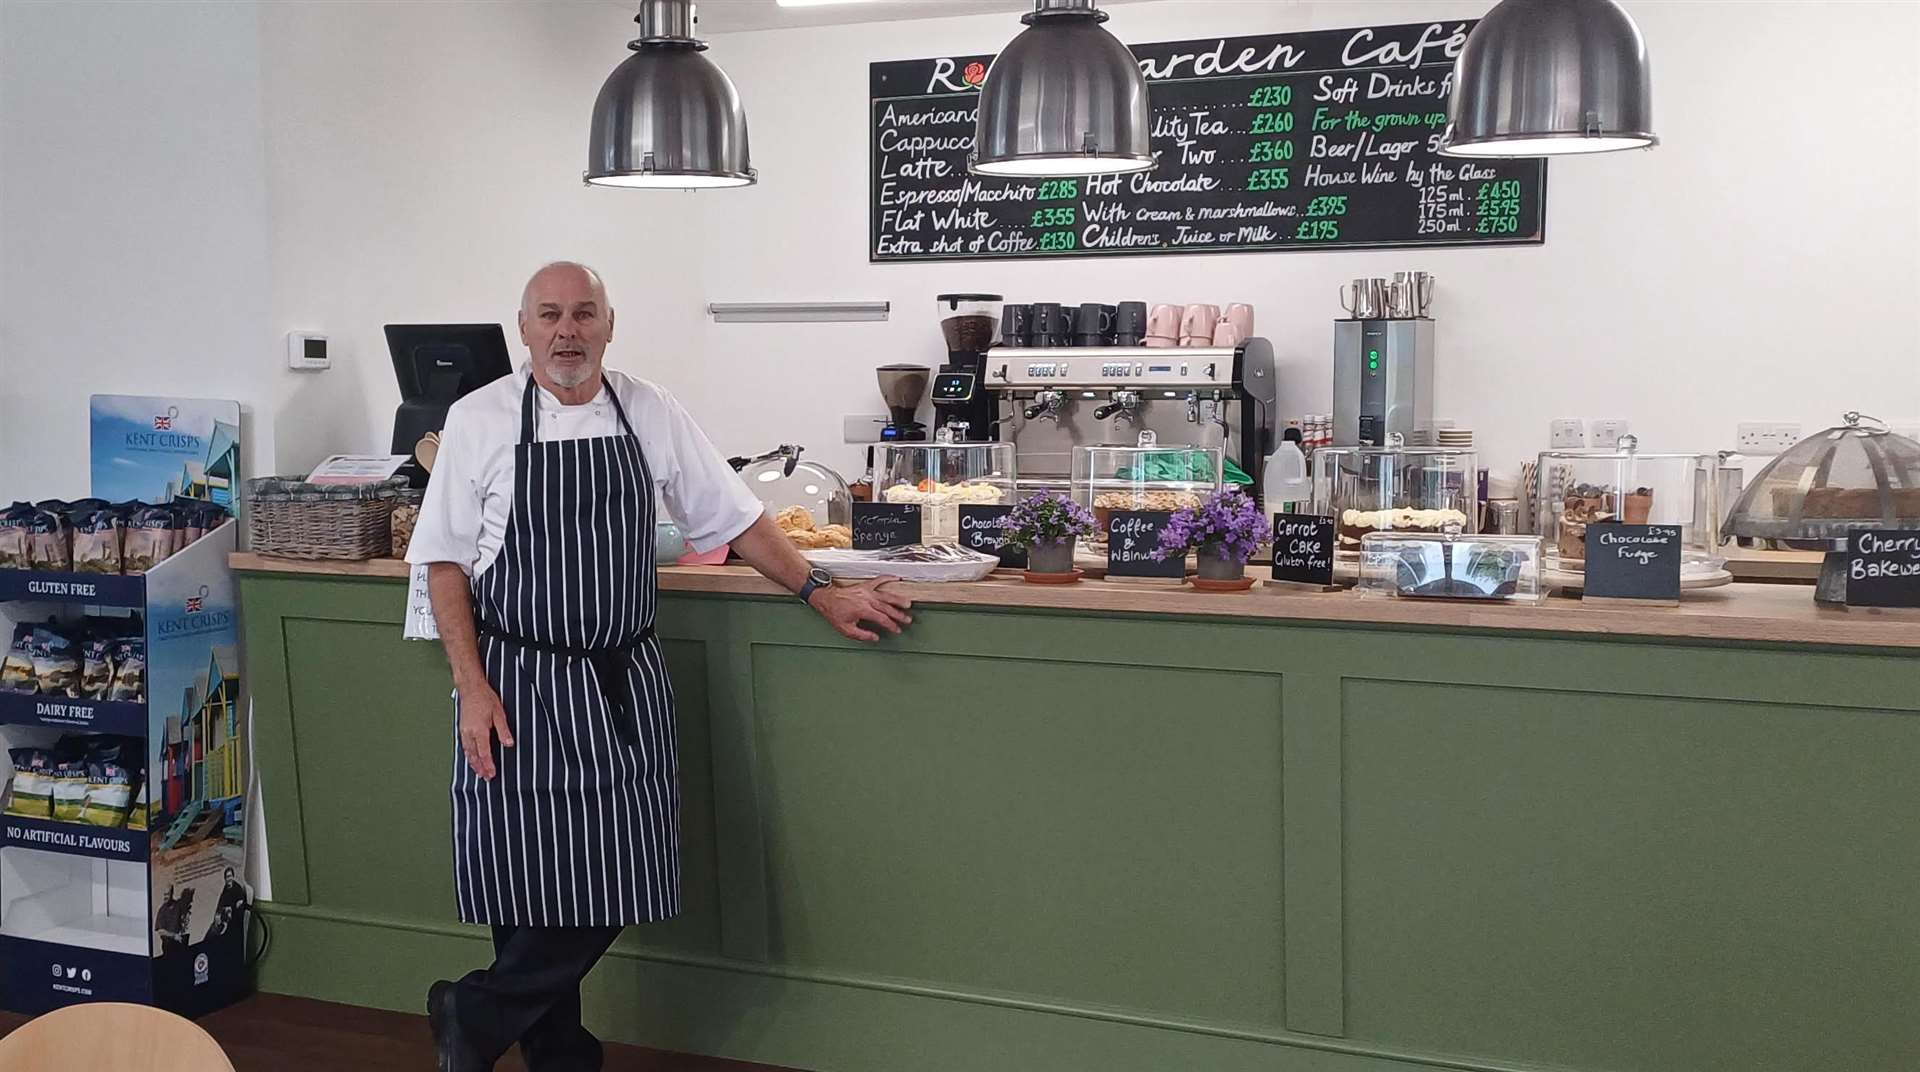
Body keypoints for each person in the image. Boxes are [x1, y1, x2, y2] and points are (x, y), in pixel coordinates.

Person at [406, 262, 912, 1071]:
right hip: (520, 682)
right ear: (524, 328)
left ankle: (472, 1010)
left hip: (622, 682)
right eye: (550, 316)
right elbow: (443, 566)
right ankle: (559, 1051)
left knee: (619, 868)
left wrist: (821, 591)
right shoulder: (480, 419)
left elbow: (736, 517)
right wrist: (471, 688)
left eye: (583, 314)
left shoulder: (649, 410)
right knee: (529, 877)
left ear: (609, 324)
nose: (566, 331)